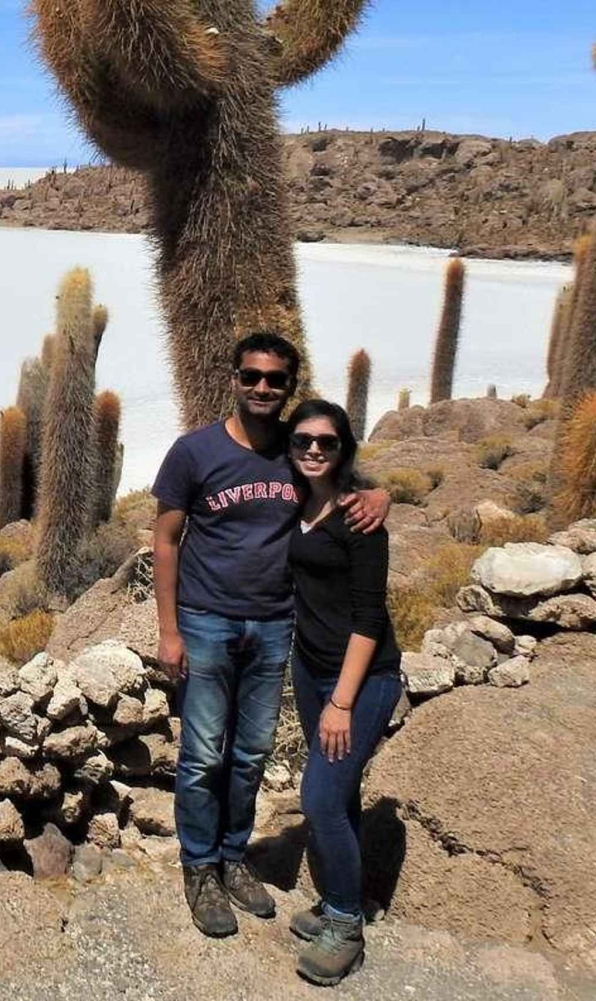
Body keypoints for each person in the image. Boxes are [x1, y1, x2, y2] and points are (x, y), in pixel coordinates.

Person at [151, 331, 389, 938]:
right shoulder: (193, 452)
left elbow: (346, 483)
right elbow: (166, 539)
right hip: (206, 620)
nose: (262, 387)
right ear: (233, 379)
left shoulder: (297, 447)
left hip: (274, 624)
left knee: (252, 752)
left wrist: (381, 494)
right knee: (203, 754)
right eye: (252, 376)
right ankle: (199, 866)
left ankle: (234, 857)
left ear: (289, 386)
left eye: (275, 379)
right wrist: (169, 631)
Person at [284, 399, 403, 986]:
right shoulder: (295, 500)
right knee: (342, 793)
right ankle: (340, 896)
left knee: (321, 799)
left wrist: (342, 702)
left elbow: (369, 617)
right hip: (309, 670)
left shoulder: (360, 518)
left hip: (361, 679)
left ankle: (346, 926)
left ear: (343, 448)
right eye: (303, 440)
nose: (313, 449)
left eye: (326, 442)